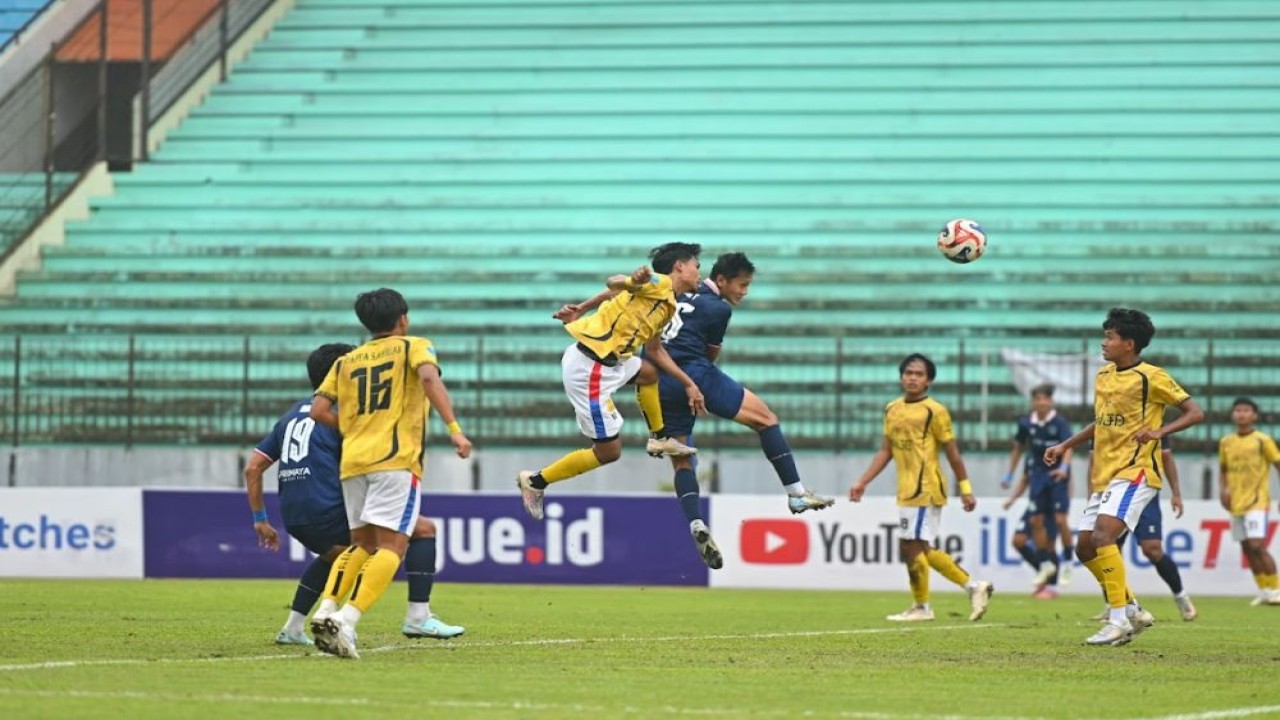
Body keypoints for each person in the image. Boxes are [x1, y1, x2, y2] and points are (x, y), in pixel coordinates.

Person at [244, 343, 464, 646]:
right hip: (330, 506)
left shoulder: (290, 416)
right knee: (421, 530)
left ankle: (293, 628)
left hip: (293, 513)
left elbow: (253, 468)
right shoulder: (342, 414)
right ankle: (414, 617)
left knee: (333, 556)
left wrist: (259, 519)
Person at [308, 288, 473, 660]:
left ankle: (326, 610)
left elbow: (318, 410)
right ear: (403, 319)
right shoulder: (413, 345)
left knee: (361, 544)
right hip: (395, 459)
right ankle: (346, 621)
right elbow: (430, 380)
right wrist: (455, 430)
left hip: (353, 462)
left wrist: (352, 430)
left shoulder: (345, 361)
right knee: (393, 546)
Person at [1045, 307, 1204, 647]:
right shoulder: (1103, 376)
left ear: (1129, 344)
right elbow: (1102, 423)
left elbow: (1195, 412)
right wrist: (1065, 445)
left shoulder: (1152, 377)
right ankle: (1131, 607)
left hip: (1137, 471)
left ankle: (1117, 620)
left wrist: (1159, 431)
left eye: (1110, 337)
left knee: (1104, 536)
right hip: (1106, 472)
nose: (1104, 343)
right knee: (1084, 548)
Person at [517, 243, 708, 520]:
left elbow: (654, 350)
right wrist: (633, 279)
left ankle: (659, 438)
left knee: (649, 373)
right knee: (609, 453)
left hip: (612, 362)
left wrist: (688, 383)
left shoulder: (666, 304)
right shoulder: (658, 283)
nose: (699, 273)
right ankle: (535, 482)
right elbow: (615, 281)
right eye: (697, 266)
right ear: (680, 266)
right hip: (590, 370)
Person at [848, 353, 994, 622]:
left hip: (926, 488)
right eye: (909, 373)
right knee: (917, 547)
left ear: (929, 381)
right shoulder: (892, 408)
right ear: (901, 376)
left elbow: (953, 453)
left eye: (919, 374)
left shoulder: (935, 411)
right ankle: (970, 588)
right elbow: (886, 450)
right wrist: (863, 481)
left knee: (913, 547)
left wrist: (966, 488)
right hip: (906, 489)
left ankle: (926, 605)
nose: (912, 378)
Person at [1001, 384, 1075, 591]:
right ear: (1033, 402)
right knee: (1035, 520)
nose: (1041, 402)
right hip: (1038, 477)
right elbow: (1018, 448)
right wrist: (1009, 473)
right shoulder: (1026, 423)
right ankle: (1044, 564)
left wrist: (1064, 468)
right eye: (1038, 399)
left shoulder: (1060, 422)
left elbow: (1068, 447)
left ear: (1051, 401)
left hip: (1056, 477)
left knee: (1061, 520)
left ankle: (1068, 561)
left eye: (1045, 399)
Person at [1218, 396, 1280, 606]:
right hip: (1236, 502)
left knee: (1257, 545)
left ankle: (1276, 589)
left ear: (1254, 415)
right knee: (1246, 547)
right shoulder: (1226, 442)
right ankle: (1263, 590)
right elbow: (1223, 469)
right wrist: (1222, 491)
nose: (1241, 414)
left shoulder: (1263, 440)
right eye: (1238, 410)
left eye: (1245, 410)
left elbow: (1278, 465)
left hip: (1257, 501)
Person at [1000, 471, 1062, 599]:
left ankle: (1051, 587)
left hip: (1050, 505)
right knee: (1018, 541)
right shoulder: (1031, 456)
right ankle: (1044, 574)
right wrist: (1012, 500)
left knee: (1049, 544)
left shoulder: (1057, 453)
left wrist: (1064, 504)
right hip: (1034, 504)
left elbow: (1066, 478)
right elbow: (1025, 479)